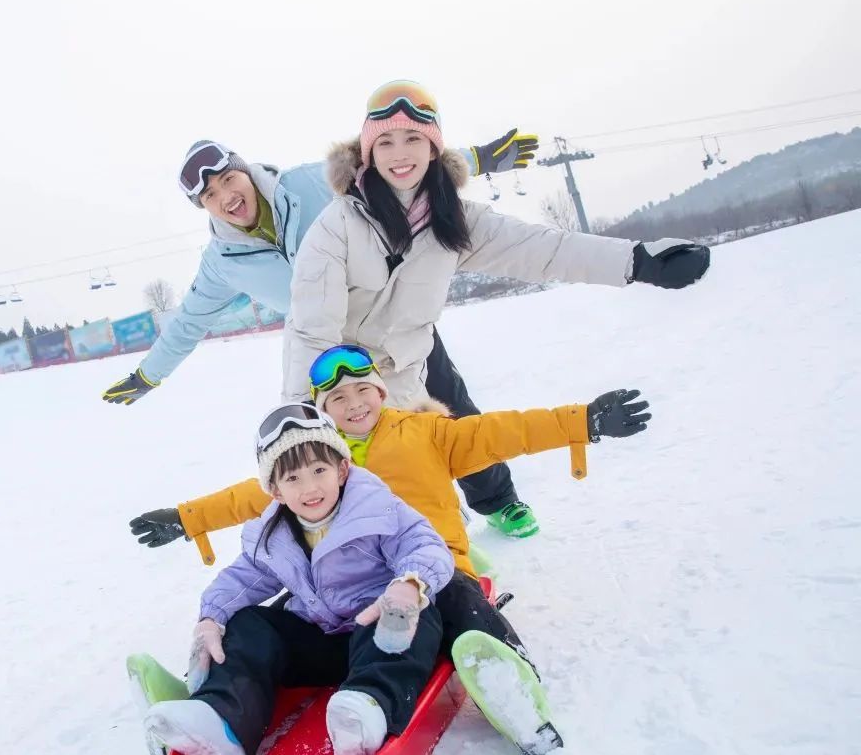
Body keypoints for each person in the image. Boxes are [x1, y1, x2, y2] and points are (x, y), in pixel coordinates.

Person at [132, 344, 653, 755]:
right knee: (259, 619)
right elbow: (246, 501)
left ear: (381, 391)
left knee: (457, 604)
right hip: (342, 599)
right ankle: (209, 701)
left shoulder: (424, 432)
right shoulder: (310, 462)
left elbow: (505, 431)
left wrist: (583, 421)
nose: (354, 403)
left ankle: (512, 687)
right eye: (338, 399)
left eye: (363, 389)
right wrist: (186, 520)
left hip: (431, 572)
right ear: (325, 413)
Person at [280, 80, 709, 536]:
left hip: (407, 370)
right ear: (367, 153)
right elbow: (311, 329)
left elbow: (543, 249)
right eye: (384, 142)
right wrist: (299, 421)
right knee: (347, 484)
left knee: (436, 461)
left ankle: (474, 528)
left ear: (433, 148)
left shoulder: (453, 219)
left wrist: (636, 261)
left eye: (413, 139)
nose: (399, 153)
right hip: (343, 378)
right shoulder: (337, 227)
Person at [100, 126, 537, 402]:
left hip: (392, 314)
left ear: (246, 173)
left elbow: (396, 167)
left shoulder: (309, 183)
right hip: (330, 349)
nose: (225, 196)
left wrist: (477, 159)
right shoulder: (223, 263)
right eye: (210, 196)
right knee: (363, 441)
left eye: (227, 179)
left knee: (448, 400)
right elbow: (188, 323)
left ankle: (499, 500)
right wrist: (147, 375)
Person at [142, 403, 455, 755]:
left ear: (342, 469)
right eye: (292, 479)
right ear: (275, 490)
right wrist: (210, 618)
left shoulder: (377, 509)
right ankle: (221, 721)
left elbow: (424, 544)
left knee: (417, 617)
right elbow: (242, 580)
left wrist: (409, 584)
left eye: (319, 470)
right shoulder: (273, 536)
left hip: (379, 632)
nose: (309, 488)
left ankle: (368, 710)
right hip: (320, 642)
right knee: (249, 622)